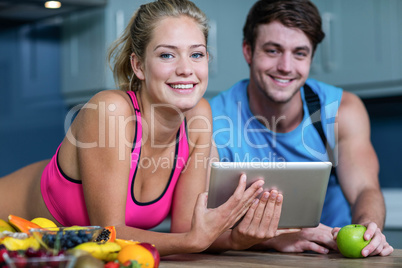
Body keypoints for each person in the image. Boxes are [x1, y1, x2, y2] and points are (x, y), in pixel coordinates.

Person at [0, 0, 285, 256]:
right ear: (138, 65)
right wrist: (191, 243)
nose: (186, 69)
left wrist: (244, 239)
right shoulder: (111, 111)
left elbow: (189, 228)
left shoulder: (199, 117)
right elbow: (106, 234)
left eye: (196, 55)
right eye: (167, 55)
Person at [209, 0, 394, 257]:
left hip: (331, 256)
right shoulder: (211, 119)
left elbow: (365, 188)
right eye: (273, 51)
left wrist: (367, 228)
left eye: (299, 53)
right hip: (248, 258)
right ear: (248, 51)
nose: (286, 66)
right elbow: (194, 226)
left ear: (311, 57)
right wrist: (276, 238)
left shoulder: (342, 111)